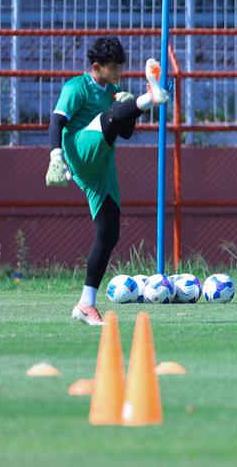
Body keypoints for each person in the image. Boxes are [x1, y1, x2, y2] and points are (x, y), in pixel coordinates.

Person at [47, 36, 170, 326]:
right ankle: (150, 96)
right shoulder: (76, 87)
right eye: (114, 68)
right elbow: (56, 122)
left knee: (109, 233)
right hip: (80, 150)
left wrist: (130, 112)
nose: (119, 73)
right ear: (96, 66)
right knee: (113, 113)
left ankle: (86, 304)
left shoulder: (113, 90)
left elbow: (124, 132)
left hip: (101, 163)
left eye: (121, 68)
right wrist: (55, 157)